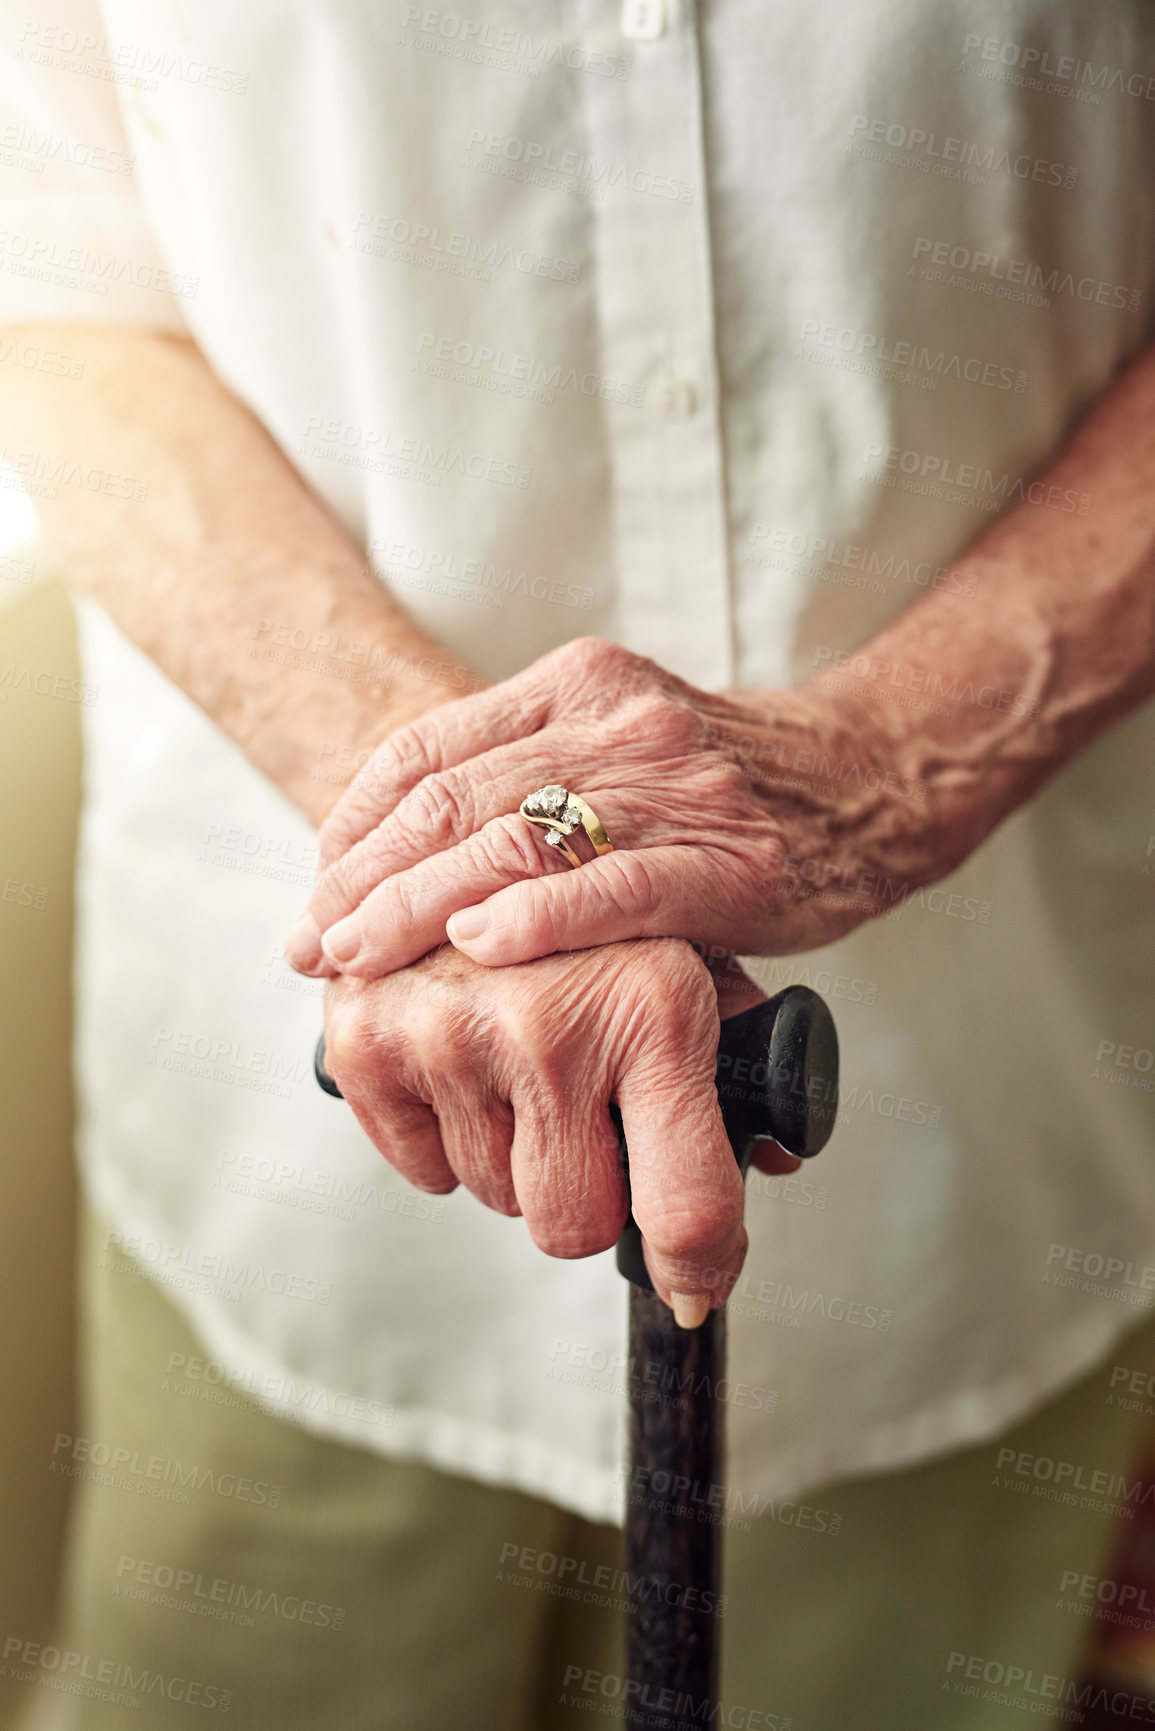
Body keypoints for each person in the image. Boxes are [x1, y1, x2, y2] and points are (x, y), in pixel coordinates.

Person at [4, 2, 1155, 1726]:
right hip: (295, 1163)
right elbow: (53, 285)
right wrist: (483, 852)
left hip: (970, 1129)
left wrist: (881, 765)